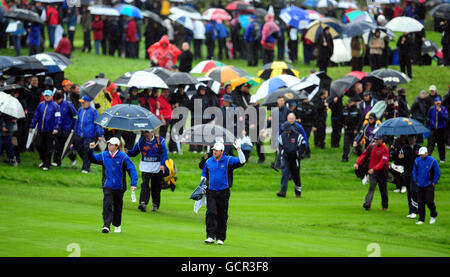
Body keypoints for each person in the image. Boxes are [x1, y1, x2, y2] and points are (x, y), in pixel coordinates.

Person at [89, 137, 138, 233]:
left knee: (117, 206)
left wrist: (133, 183)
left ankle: (117, 224)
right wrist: (90, 150)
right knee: (107, 204)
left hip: (119, 186)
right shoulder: (104, 155)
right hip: (107, 184)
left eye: (111, 144)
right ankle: (106, 225)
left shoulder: (123, 157)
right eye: (108, 144)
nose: (109, 146)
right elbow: (93, 159)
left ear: (117, 146)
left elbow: (132, 169)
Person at [201, 140, 246, 245]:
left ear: (222, 151)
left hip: (224, 192)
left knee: (222, 214)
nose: (214, 152)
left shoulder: (228, 160)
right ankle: (210, 236)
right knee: (211, 213)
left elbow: (242, 161)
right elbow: (204, 174)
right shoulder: (208, 161)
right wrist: (201, 188)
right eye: (213, 150)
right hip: (211, 191)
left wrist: (239, 149)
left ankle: (220, 237)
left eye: (216, 151)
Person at [126, 130, 168, 213]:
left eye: (149, 132)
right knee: (145, 184)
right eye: (146, 132)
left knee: (155, 186)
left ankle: (155, 204)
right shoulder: (141, 141)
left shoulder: (160, 140)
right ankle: (143, 203)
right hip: (145, 166)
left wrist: (163, 164)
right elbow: (134, 152)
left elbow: (165, 154)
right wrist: (127, 152)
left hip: (157, 167)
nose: (147, 134)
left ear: (152, 132)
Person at [354, 134, 390, 211]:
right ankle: (367, 203)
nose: (376, 141)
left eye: (377, 139)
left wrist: (374, 169)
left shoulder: (385, 149)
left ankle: (385, 205)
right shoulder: (371, 146)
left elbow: (383, 162)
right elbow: (364, 155)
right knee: (371, 187)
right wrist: (357, 163)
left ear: (381, 140)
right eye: (375, 139)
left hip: (382, 172)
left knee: (383, 189)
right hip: (372, 172)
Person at [29, 90, 61, 171]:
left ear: (51, 96)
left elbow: (58, 118)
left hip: (50, 130)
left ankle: (47, 164)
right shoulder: (41, 105)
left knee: (48, 147)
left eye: (48, 95)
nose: (47, 97)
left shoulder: (55, 106)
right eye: (46, 95)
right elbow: (36, 116)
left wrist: (56, 128)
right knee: (38, 144)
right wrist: (32, 126)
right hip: (40, 129)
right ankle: (44, 160)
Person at [73, 95, 104, 174]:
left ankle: (86, 168)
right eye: (81, 102)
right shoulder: (80, 110)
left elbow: (97, 123)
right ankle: (88, 162)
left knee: (87, 151)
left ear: (88, 102)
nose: (82, 104)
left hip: (89, 136)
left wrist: (100, 134)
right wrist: (75, 130)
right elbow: (77, 121)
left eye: (83, 102)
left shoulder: (94, 111)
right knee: (79, 149)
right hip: (79, 134)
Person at [276, 121, 307, 198]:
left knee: (295, 175)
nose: (286, 131)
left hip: (295, 159)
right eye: (285, 130)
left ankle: (298, 192)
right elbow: (280, 146)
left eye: (287, 130)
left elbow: (303, 145)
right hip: (285, 158)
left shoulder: (298, 136)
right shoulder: (282, 136)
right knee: (284, 173)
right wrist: (282, 153)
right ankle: (283, 192)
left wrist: (298, 154)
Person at [412, 147, 440, 225]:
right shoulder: (417, 161)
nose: (421, 156)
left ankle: (433, 214)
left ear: (427, 153)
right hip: (420, 184)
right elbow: (414, 171)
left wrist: (434, 182)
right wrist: (416, 180)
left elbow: (437, 172)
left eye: (423, 154)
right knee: (420, 202)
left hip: (429, 184)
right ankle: (421, 219)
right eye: (420, 154)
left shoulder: (433, 161)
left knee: (429, 201)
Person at [398, 135, 421, 219]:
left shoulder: (419, 148)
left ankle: (415, 210)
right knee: (409, 192)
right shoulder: (404, 148)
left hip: (416, 173)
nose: (411, 139)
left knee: (413, 190)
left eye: (412, 137)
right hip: (407, 172)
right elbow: (399, 162)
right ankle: (411, 210)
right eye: (410, 138)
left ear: (415, 138)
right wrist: (400, 158)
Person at [52, 92, 77, 167]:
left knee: (66, 146)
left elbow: (75, 115)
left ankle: (73, 158)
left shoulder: (68, 104)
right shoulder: (55, 105)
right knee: (57, 146)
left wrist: (74, 127)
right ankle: (57, 162)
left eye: (56, 100)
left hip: (67, 129)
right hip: (58, 128)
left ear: (60, 99)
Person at [340, 97, 363, 162]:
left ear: (354, 102)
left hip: (355, 130)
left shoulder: (357, 110)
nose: (349, 104)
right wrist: (343, 126)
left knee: (357, 146)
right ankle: (345, 158)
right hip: (347, 130)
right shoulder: (345, 109)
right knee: (346, 145)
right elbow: (341, 119)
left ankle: (362, 157)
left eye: (350, 102)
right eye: (348, 102)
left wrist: (356, 129)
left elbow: (360, 121)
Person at [427, 97, 448, 163]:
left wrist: (440, 111)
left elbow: (446, 117)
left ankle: (442, 159)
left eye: (439, 103)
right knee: (431, 143)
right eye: (437, 103)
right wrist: (427, 126)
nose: (438, 104)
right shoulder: (431, 108)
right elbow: (428, 117)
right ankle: (428, 157)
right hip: (433, 129)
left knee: (441, 144)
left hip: (441, 129)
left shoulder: (443, 108)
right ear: (434, 103)